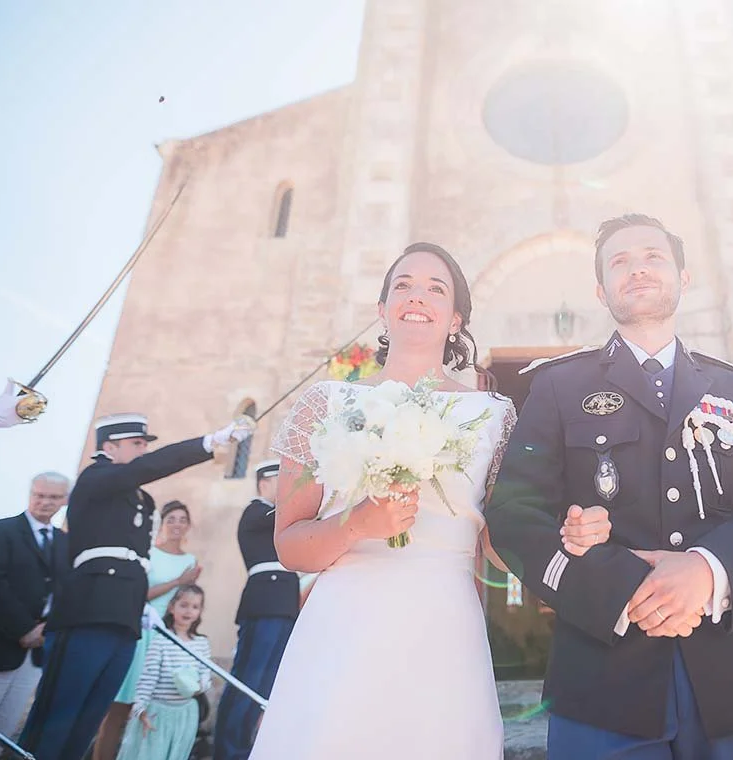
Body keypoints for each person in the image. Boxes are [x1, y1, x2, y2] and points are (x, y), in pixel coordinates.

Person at [249, 243, 602, 759]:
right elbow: (290, 546)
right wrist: (358, 524)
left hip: (443, 624)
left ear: (456, 317)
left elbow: (499, 544)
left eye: (437, 288)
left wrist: (561, 541)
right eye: (404, 285)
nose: (418, 297)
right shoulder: (324, 404)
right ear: (382, 309)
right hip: (342, 629)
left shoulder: (493, 414)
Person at [485, 214, 733, 760]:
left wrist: (706, 571)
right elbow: (515, 515)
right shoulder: (559, 387)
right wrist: (628, 586)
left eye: (652, 256)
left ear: (683, 277)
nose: (637, 269)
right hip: (602, 679)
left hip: (729, 675)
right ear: (600, 289)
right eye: (619, 261)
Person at [18, 413, 249, 760]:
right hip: (88, 611)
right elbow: (145, 469)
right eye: (137, 444)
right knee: (59, 714)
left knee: (90, 717)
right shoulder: (96, 478)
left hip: (124, 617)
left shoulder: (140, 499)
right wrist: (210, 442)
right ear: (109, 447)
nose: (143, 451)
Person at [97, 501, 201, 760]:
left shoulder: (191, 561)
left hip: (166, 641)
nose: (177, 524)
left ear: (188, 525)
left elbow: (186, 602)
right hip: (140, 634)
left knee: (148, 710)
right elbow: (138, 593)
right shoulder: (149, 555)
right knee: (119, 708)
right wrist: (177, 581)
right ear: (162, 524)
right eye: (171, 519)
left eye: (182, 519)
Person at [213, 460, 297, 760]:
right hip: (264, 604)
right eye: (284, 479)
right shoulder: (256, 512)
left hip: (285, 606)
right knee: (248, 679)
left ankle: (246, 747)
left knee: (266, 684)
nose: (291, 486)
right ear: (265, 482)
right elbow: (294, 510)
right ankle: (228, 750)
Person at [0, 472, 69, 760]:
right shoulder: (1, 531)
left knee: (2, 731)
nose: (44, 502)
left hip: (35, 655)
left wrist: (46, 629)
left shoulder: (64, 542)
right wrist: (23, 629)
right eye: (39, 494)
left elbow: (67, 591)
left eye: (53, 497)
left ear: (64, 500)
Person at [117, 585, 213, 760]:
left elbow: (206, 676)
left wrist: (199, 685)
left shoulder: (201, 643)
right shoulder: (161, 641)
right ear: (172, 607)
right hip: (157, 713)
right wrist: (140, 709)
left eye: (195, 607)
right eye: (183, 605)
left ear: (200, 611)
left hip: (185, 713)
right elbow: (148, 678)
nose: (188, 611)